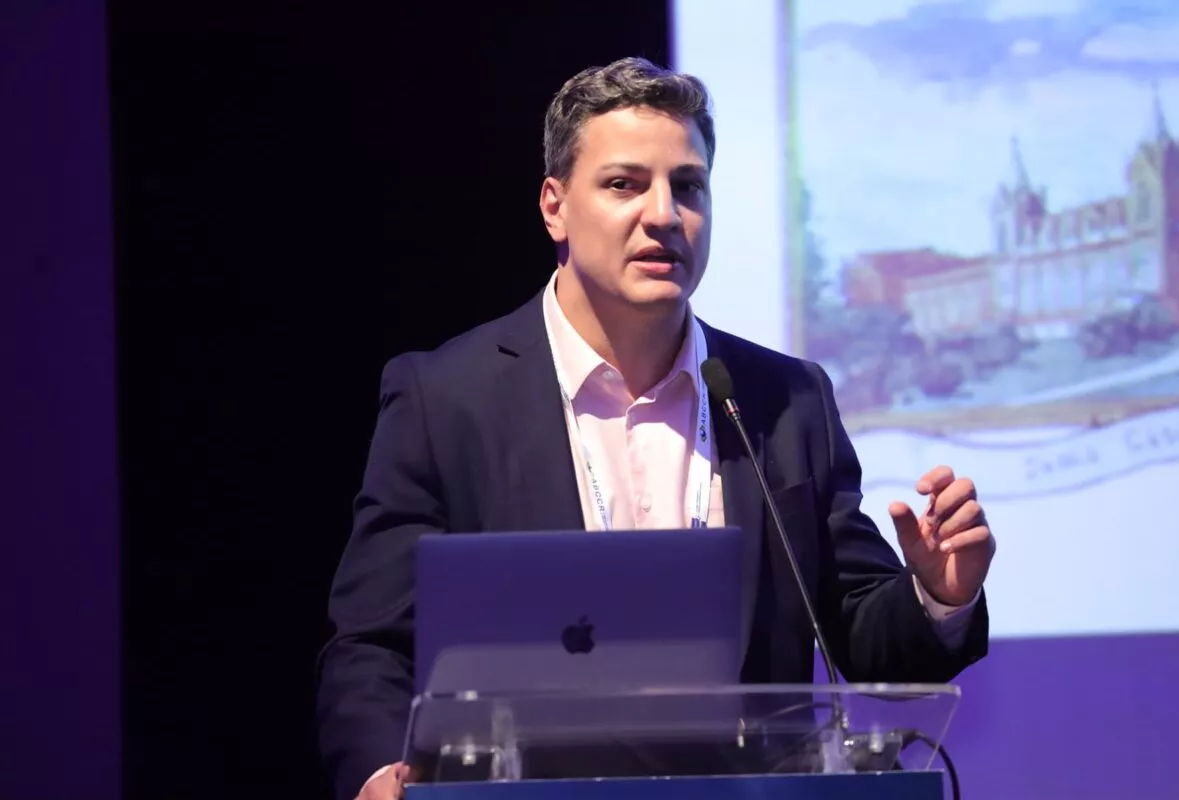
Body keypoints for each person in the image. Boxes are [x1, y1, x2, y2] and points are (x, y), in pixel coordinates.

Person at [315, 56, 995, 800]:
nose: (665, 214)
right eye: (624, 184)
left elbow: (861, 633)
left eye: (689, 186)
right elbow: (371, 644)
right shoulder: (447, 399)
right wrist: (380, 771)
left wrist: (937, 595)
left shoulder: (786, 398)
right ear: (554, 207)